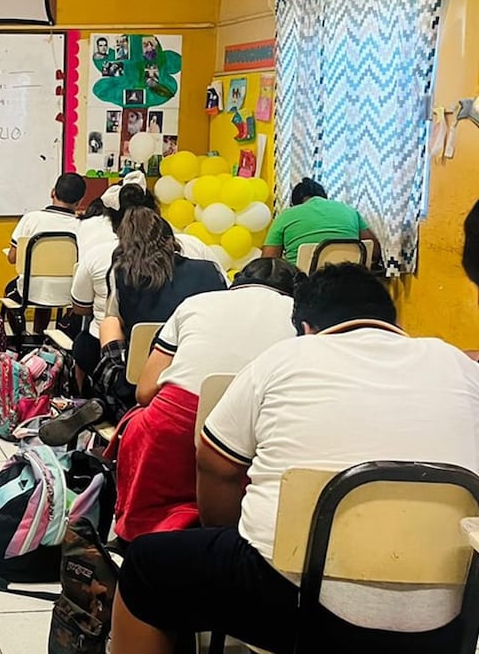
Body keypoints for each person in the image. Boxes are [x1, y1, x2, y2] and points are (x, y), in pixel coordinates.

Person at [110, 264, 479, 654]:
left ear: (304, 327)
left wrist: (231, 533)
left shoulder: (283, 358)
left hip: (294, 606)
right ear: (394, 320)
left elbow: (214, 462)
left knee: (145, 568)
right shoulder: (459, 365)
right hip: (450, 616)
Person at [100, 258, 300, 544]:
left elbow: (144, 392)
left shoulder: (196, 304)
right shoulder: (303, 320)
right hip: (255, 434)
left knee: (144, 420)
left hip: (174, 426)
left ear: (236, 282)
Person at [87, 207, 227, 421]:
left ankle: (107, 399)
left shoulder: (123, 274)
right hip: (201, 374)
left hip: (141, 381)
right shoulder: (210, 270)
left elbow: (115, 316)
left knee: (109, 323)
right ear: (172, 239)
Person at [4, 172, 86, 336]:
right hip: (70, 293)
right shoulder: (82, 226)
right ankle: (48, 335)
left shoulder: (31, 219)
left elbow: (12, 258)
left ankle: (23, 337)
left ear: (52, 192)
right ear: (79, 202)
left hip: (31, 289)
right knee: (50, 286)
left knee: (11, 291)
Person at [262, 177, 381, 266]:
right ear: (324, 196)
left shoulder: (286, 216)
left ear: (295, 203)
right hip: (349, 281)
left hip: (304, 285)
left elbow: (268, 262)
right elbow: (374, 251)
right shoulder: (350, 211)